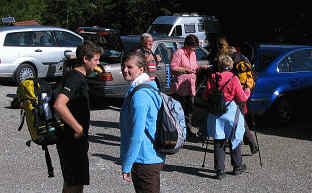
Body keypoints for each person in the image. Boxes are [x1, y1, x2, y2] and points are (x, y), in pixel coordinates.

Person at [53, 40, 103, 193]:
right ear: (85, 59)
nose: (98, 63)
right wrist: (78, 128)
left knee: (75, 181)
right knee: (74, 183)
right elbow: (59, 104)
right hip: (71, 141)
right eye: (95, 59)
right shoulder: (75, 78)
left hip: (72, 140)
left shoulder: (75, 76)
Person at [120, 52, 165, 193]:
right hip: (151, 156)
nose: (125, 70)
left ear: (141, 69)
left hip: (144, 159)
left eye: (129, 67)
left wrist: (127, 165)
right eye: (123, 67)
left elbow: (137, 134)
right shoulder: (148, 87)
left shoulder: (140, 95)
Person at [203, 55, 250, 180]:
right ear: (230, 66)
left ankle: (219, 171)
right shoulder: (234, 79)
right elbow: (242, 98)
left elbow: (205, 95)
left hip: (216, 114)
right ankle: (237, 166)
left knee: (219, 141)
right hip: (230, 112)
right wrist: (248, 90)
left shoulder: (212, 78)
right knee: (235, 138)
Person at [217, 36, 259, 155]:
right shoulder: (244, 58)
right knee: (239, 119)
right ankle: (248, 142)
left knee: (237, 120)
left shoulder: (233, 62)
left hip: (236, 94)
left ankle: (248, 143)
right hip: (246, 90)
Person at [170, 34, 208, 138]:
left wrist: (201, 68)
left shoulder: (193, 54)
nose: (194, 49)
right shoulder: (179, 53)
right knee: (180, 110)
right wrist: (185, 70)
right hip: (180, 88)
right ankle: (179, 131)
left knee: (190, 110)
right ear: (187, 45)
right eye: (193, 47)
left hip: (191, 86)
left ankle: (188, 131)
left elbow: (194, 67)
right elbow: (173, 67)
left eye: (195, 47)